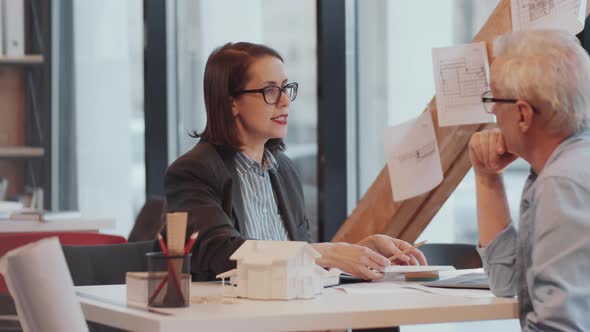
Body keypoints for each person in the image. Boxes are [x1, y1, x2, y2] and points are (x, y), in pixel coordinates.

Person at [164, 42, 426, 281]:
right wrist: (328, 252)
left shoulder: (284, 170)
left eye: (286, 88)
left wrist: (361, 252)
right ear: (232, 102)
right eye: (270, 90)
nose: (285, 101)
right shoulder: (193, 171)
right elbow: (221, 252)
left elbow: (300, 259)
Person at [469, 30, 590, 331]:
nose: (493, 111)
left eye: (493, 99)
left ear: (523, 114)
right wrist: (487, 177)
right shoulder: (556, 171)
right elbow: (508, 283)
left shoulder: (563, 183)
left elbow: (560, 326)